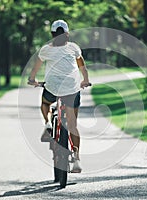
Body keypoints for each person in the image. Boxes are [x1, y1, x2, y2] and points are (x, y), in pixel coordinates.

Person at [28, 20, 90, 173]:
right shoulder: (74, 47)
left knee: (45, 103)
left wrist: (32, 80)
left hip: (53, 87)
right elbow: (82, 66)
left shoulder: (45, 50)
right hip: (71, 88)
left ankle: (48, 122)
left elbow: (35, 68)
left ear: (52, 35)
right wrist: (85, 80)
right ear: (67, 34)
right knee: (72, 125)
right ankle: (76, 160)